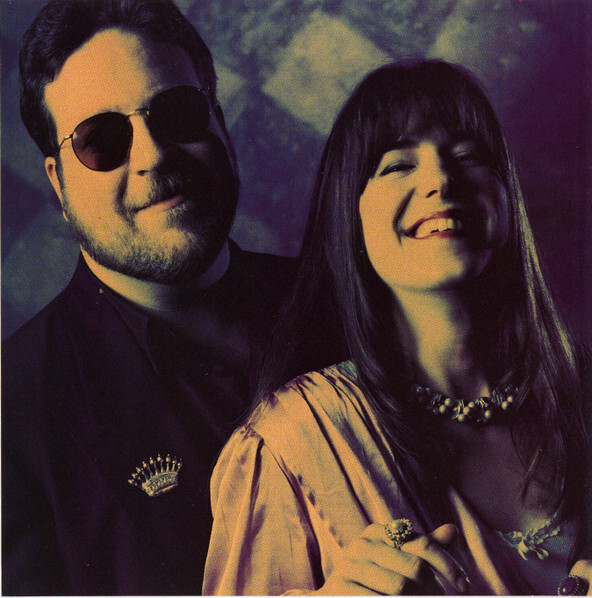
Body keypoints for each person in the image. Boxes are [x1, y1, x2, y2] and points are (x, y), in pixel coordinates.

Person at [203, 59, 592, 595]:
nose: (440, 180)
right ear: (351, 216)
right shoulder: (290, 442)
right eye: (397, 166)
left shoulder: (586, 391)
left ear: (507, 199)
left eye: (468, 156)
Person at [1, 0, 345, 594]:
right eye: (101, 139)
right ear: (57, 183)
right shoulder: (11, 413)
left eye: (178, 111)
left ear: (220, 124)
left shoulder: (349, 304)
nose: (154, 155)